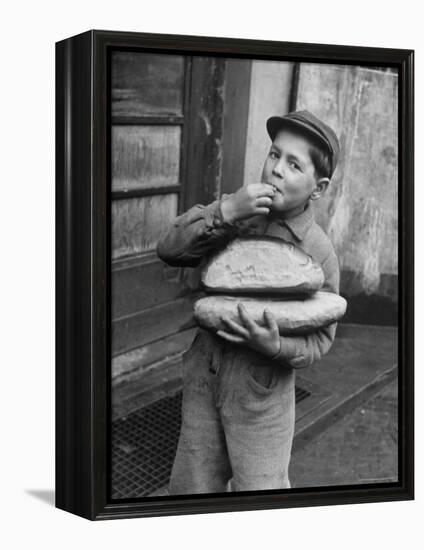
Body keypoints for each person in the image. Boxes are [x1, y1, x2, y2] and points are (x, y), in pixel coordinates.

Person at [157, 110, 341, 494]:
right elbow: (169, 249)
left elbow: (321, 338)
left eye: (294, 164)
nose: (276, 170)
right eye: (274, 155)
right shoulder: (233, 215)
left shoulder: (319, 252)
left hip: (263, 392)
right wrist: (224, 211)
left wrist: (277, 346)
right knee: (193, 485)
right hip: (204, 378)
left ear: (318, 188)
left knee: (261, 492)